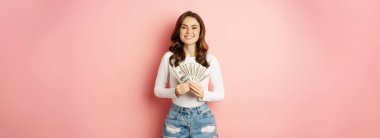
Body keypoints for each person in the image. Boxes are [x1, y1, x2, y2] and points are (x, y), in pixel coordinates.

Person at [154, 11, 225, 138]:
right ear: (178, 31)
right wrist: (174, 91)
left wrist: (204, 94)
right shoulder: (169, 58)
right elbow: (157, 90)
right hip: (176, 117)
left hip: (202, 116)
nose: (188, 31)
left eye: (194, 27)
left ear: (200, 31)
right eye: (184, 27)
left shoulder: (210, 60)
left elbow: (220, 94)